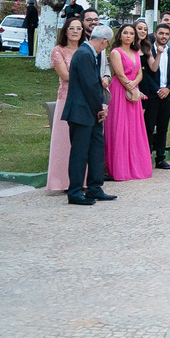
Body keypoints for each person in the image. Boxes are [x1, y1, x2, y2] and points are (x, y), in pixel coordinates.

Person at [61, 24, 117, 205]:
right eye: (106, 44)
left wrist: (100, 107)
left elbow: (95, 84)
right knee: (80, 152)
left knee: (96, 149)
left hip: (91, 112)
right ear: (104, 41)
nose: (105, 47)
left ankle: (95, 187)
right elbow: (90, 85)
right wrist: (101, 106)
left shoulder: (90, 53)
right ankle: (75, 191)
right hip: (81, 112)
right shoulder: (85, 54)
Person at [104, 24, 153, 180]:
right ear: (120, 35)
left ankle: (135, 166)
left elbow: (139, 73)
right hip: (120, 91)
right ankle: (119, 168)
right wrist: (131, 87)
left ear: (134, 37)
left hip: (133, 90)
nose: (128, 35)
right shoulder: (115, 52)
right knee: (119, 127)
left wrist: (134, 85)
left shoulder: (135, 52)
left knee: (134, 128)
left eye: (131, 33)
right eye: (125, 32)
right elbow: (119, 73)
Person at [47, 16, 85, 191]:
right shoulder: (58, 50)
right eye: (72, 28)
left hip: (85, 99)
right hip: (66, 99)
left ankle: (81, 181)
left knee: (81, 141)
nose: (75, 31)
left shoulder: (86, 49)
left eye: (78, 28)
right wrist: (88, 76)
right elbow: (65, 75)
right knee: (63, 141)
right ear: (66, 31)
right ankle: (60, 181)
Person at [140, 22, 170, 170]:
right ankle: (146, 158)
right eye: (161, 33)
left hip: (167, 95)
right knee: (149, 127)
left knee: (163, 128)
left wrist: (169, 89)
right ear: (155, 34)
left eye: (167, 34)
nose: (164, 36)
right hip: (152, 95)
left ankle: (160, 158)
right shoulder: (148, 51)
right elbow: (146, 75)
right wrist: (158, 89)